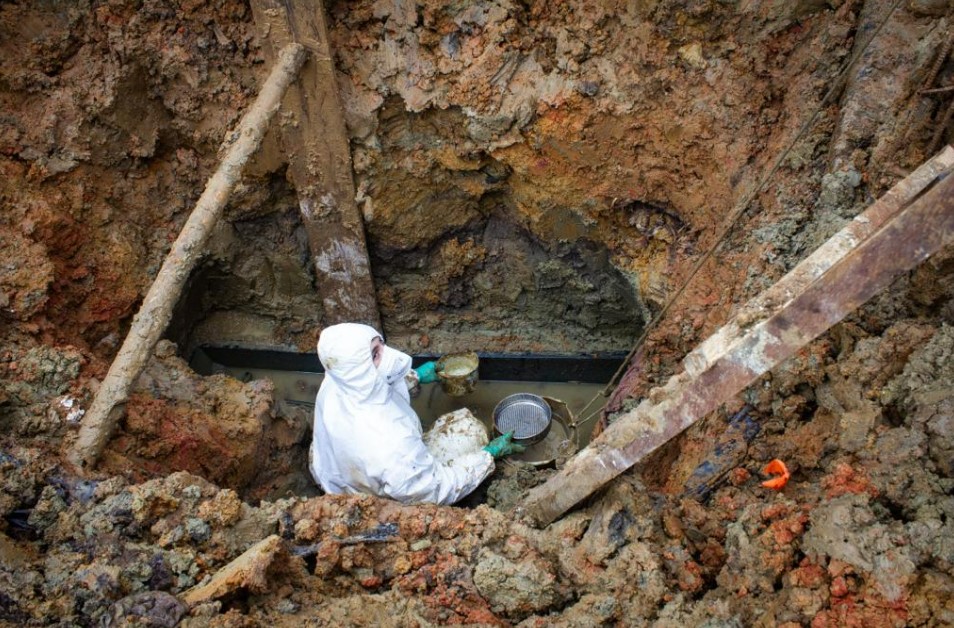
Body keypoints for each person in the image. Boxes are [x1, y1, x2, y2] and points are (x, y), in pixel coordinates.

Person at [309, 322, 525, 505]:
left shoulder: (337, 378)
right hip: (375, 501)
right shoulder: (392, 445)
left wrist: (414, 377)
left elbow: (372, 388)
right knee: (469, 429)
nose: (390, 355)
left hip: (333, 473)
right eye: (375, 354)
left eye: (380, 344)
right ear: (358, 371)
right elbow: (436, 489)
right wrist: (488, 455)